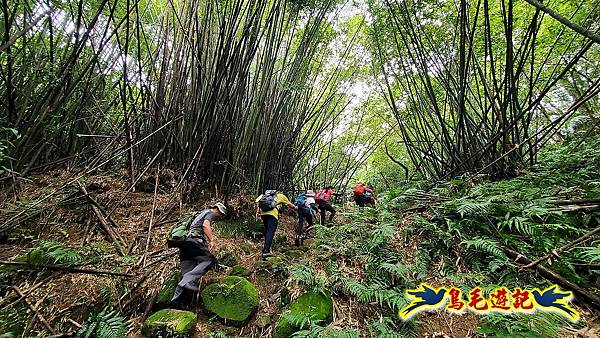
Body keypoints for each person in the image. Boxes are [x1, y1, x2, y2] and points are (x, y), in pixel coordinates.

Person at [170, 202, 227, 309]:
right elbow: (205, 225)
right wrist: (212, 241)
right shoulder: (210, 212)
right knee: (209, 261)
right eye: (220, 213)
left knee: (186, 271)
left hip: (185, 244)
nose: (220, 216)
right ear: (216, 208)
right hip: (194, 241)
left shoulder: (198, 215)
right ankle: (187, 280)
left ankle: (175, 302)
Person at [255, 190, 297, 259]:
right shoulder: (280, 196)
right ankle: (266, 251)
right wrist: (296, 207)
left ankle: (265, 248)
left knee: (267, 231)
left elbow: (258, 203)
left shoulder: (263, 196)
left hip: (264, 214)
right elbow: (290, 205)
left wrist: (257, 213)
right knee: (270, 232)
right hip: (272, 215)